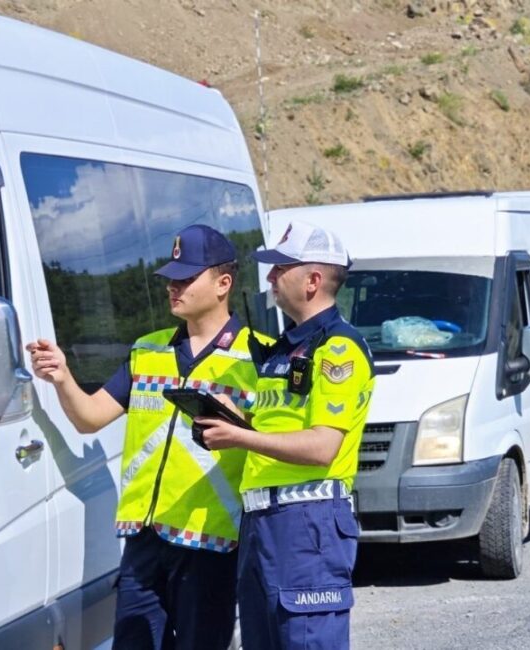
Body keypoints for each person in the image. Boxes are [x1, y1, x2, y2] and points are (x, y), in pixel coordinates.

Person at [27, 224, 266, 650]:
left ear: (222, 283)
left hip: (210, 541)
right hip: (144, 538)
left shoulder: (259, 357)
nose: (174, 286)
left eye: (186, 277)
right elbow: (89, 418)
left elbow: (275, 448)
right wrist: (62, 378)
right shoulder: (147, 351)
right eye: (170, 278)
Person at [197, 221, 374, 650]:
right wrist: (233, 417)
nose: (271, 278)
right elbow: (274, 426)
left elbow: (322, 446)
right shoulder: (284, 349)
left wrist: (241, 439)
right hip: (262, 523)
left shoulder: (338, 349)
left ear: (313, 281)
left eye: (281, 269)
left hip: (308, 524)